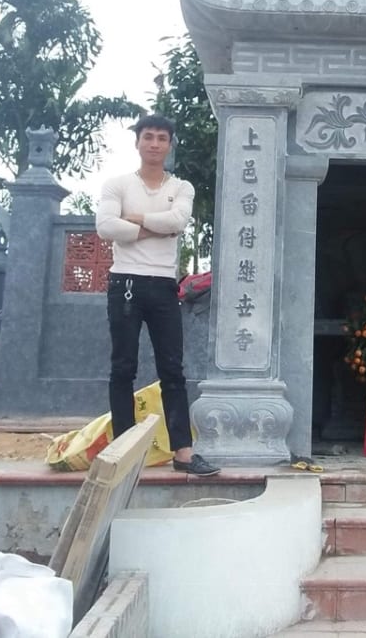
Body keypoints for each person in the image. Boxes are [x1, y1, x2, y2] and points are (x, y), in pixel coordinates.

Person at [95, 113, 220, 476]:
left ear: (169, 145)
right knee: (123, 367)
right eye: (148, 136)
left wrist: (134, 220)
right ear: (137, 142)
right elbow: (105, 227)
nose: (154, 144)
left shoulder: (181, 187)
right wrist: (156, 227)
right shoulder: (117, 184)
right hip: (125, 283)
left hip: (164, 284)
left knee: (172, 370)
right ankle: (123, 452)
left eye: (161, 138)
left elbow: (177, 222)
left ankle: (183, 453)